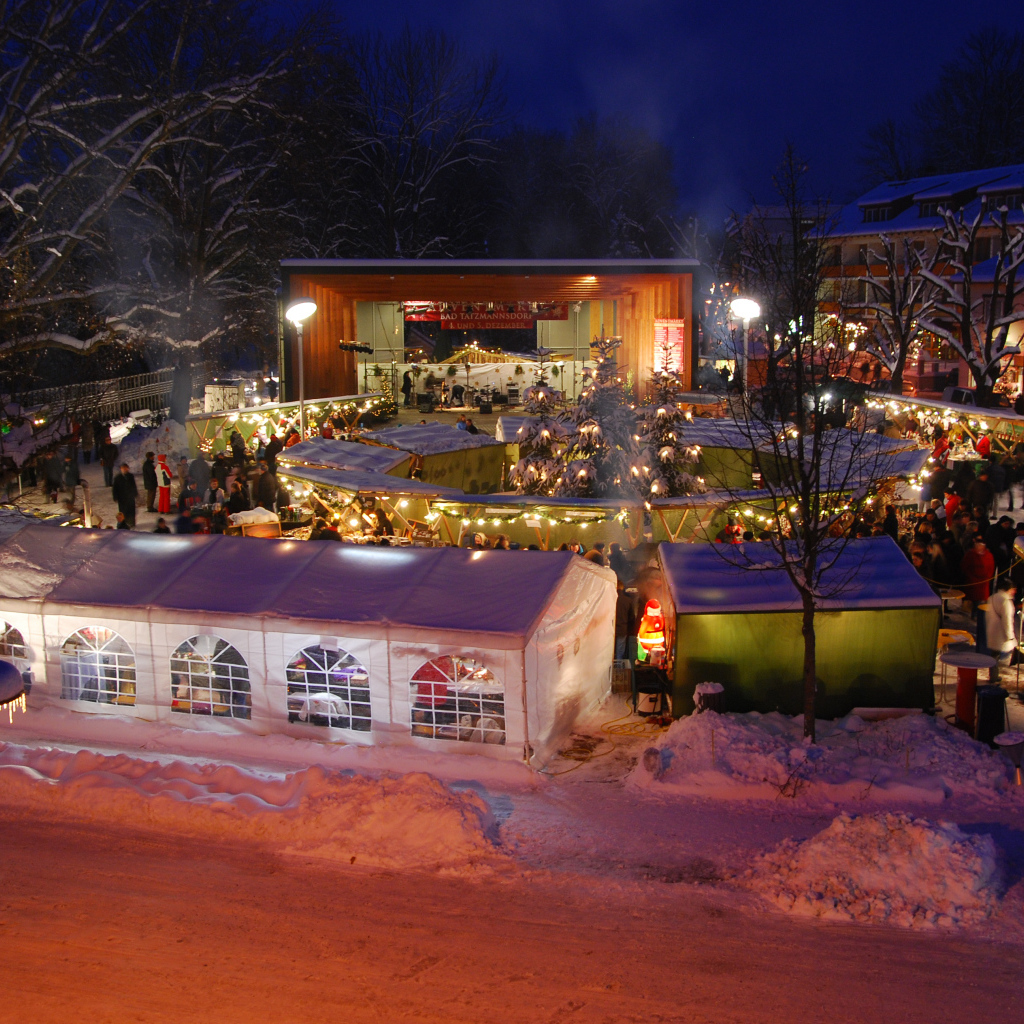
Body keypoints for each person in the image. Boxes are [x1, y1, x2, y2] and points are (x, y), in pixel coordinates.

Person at [985, 578, 1018, 676]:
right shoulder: (1006, 602)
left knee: (994, 655)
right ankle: (994, 677)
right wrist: (1010, 637)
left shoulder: (992, 597)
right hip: (1000, 633)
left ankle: (993, 675)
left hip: (992, 629)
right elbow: (1007, 621)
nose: (1014, 591)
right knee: (996, 656)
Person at [961, 534, 996, 615]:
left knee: (981, 601)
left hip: (983, 582)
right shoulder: (970, 554)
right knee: (972, 599)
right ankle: (972, 613)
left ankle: (978, 615)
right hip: (972, 581)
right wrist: (971, 577)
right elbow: (965, 567)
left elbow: (991, 567)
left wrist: (988, 577)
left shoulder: (988, 555)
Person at [111, 463, 138, 528]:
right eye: (123, 468)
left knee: (131, 510)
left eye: (126, 468)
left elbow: (133, 485)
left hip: (130, 497)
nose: (125, 470)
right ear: (121, 469)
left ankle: (131, 523)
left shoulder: (130, 476)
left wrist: (135, 493)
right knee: (123, 511)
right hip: (122, 498)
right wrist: (115, 496)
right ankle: (123, 523)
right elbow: (115, 488)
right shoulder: (118, 478)